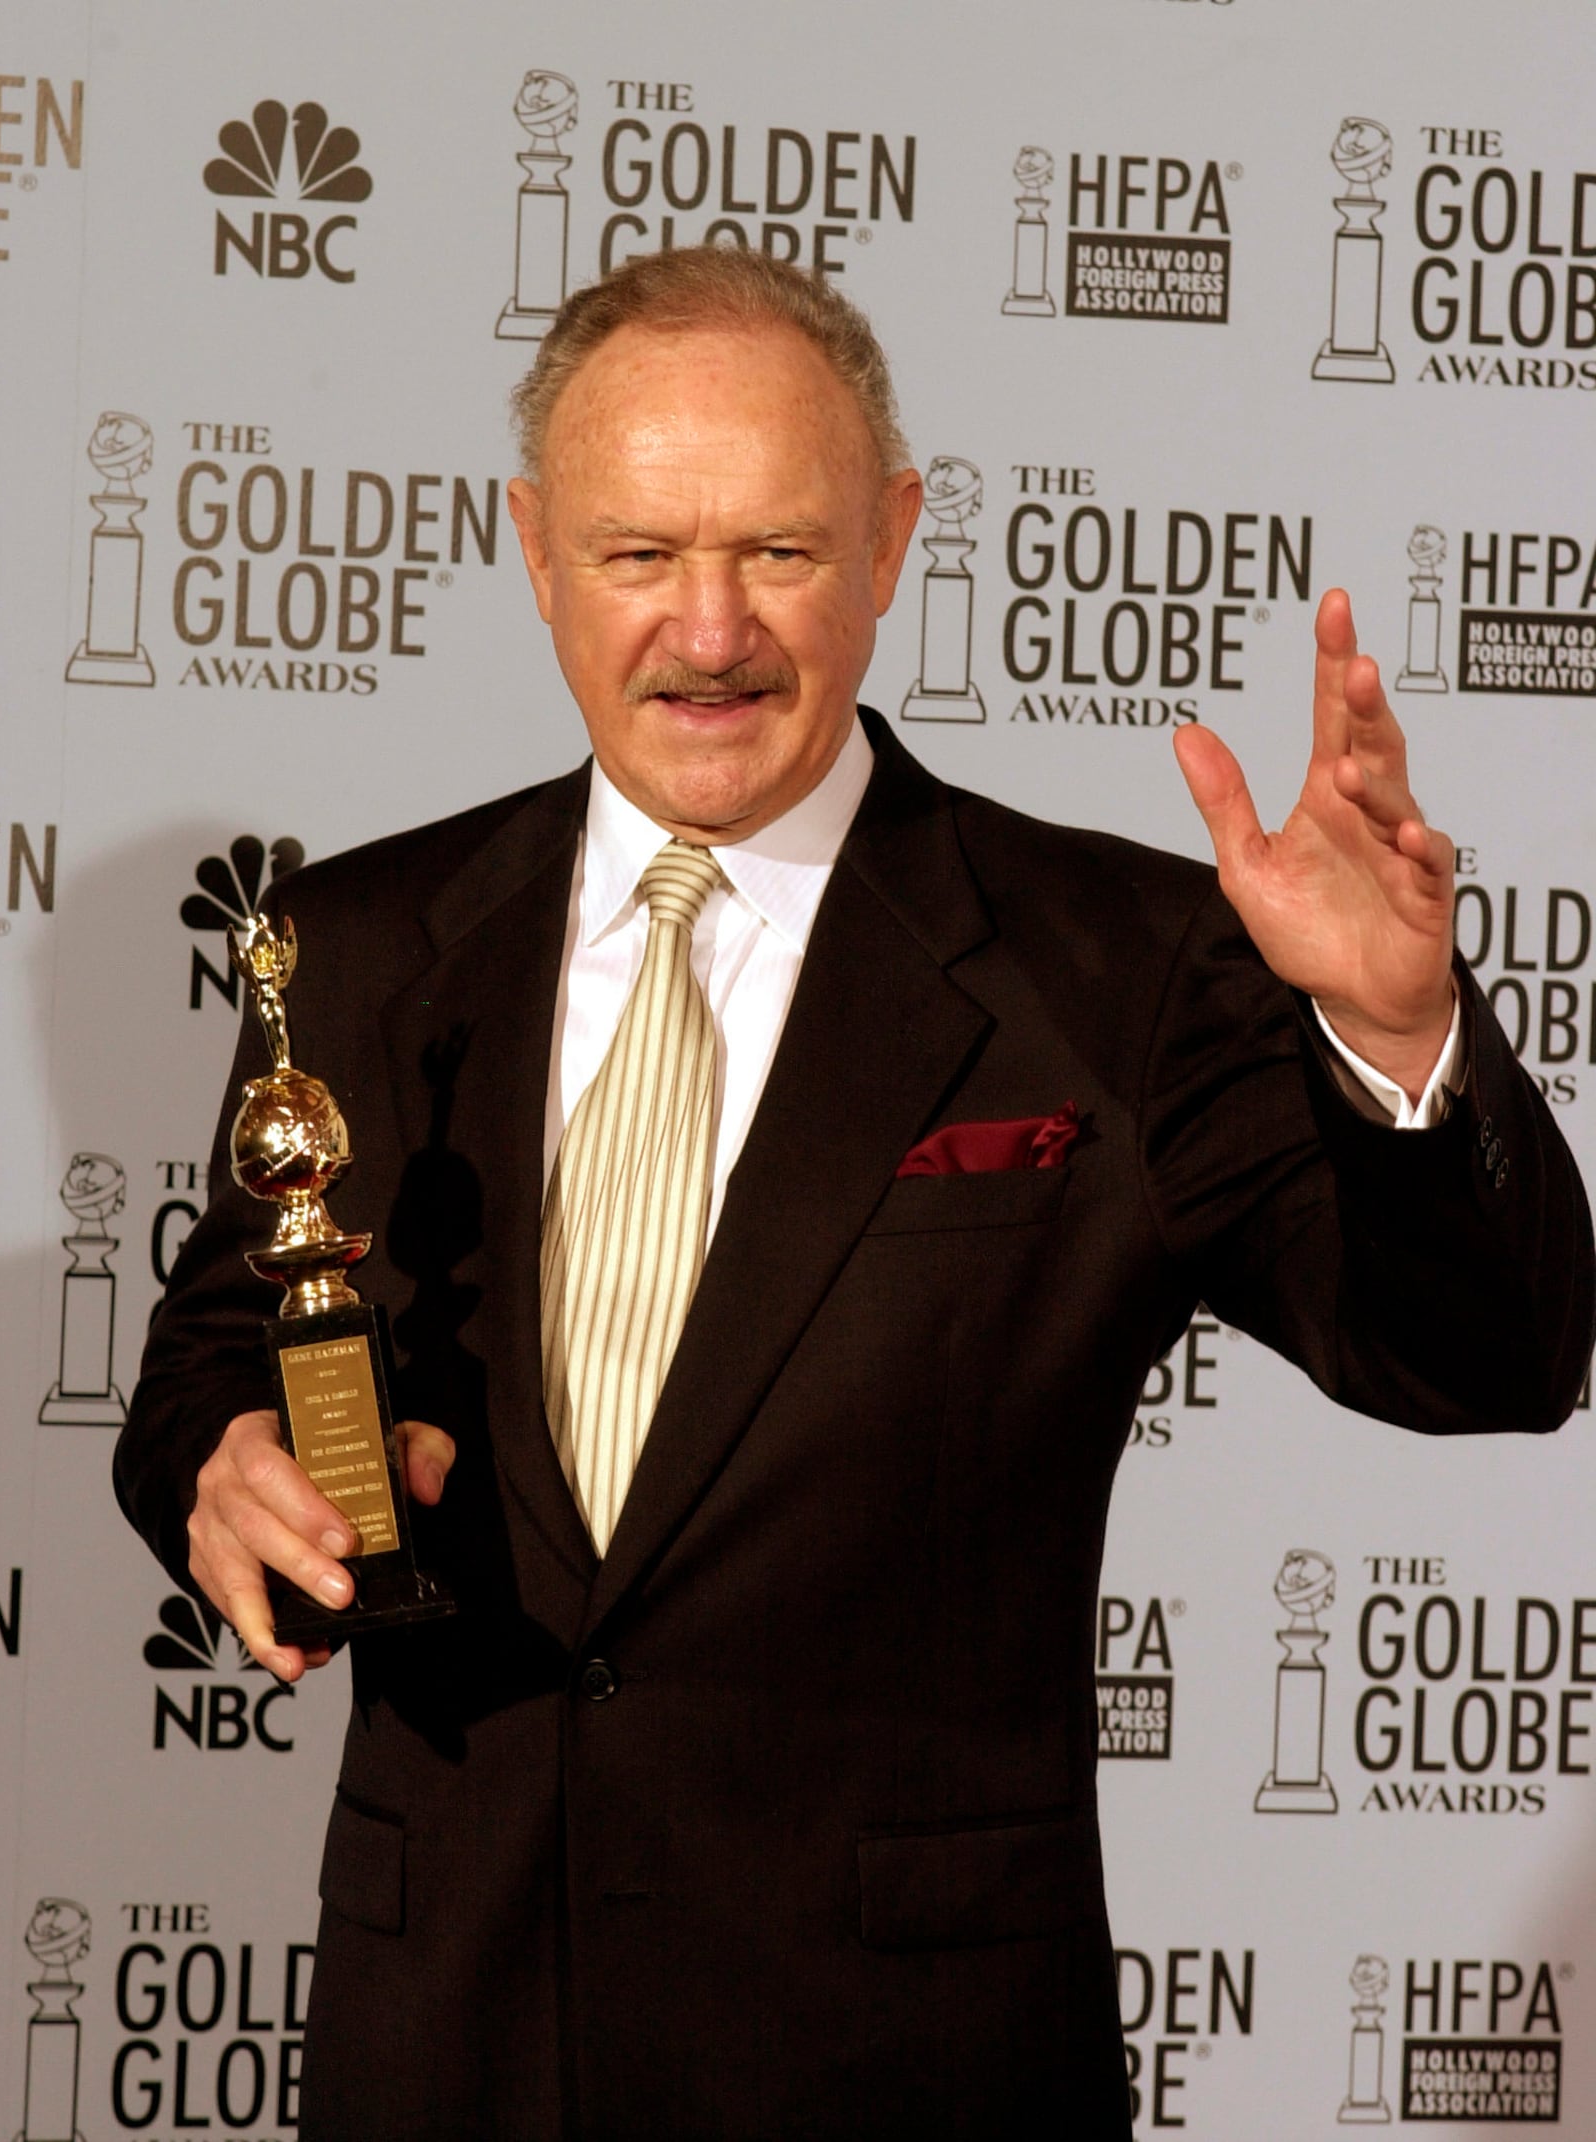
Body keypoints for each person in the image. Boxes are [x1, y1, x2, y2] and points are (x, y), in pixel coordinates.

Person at [116, 247, 1594, 2141]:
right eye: (641, 552)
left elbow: (1490, 1354)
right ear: (534, 546)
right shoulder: (352, 942)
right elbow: (213, 1352)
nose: (709, 630)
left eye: (783, 555)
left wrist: (1401, 1036)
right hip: (451, 2038)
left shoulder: (1118, 966)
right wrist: (222, 1466)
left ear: (895, 539)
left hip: (906, 2068)